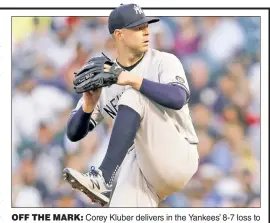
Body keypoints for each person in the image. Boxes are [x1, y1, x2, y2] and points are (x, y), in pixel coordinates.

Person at [63, 3, 199, 207]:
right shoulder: (107, 78)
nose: (146, 32)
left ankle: (102, 177)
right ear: (119, 35)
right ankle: (105, 182)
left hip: (179, 154)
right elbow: (73, 133)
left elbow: (178, 97)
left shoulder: (163, 61)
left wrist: (131, 79)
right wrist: (88, 107)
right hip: (143, 171)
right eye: (137, 28)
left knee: (134, 95)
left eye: (146, 26)